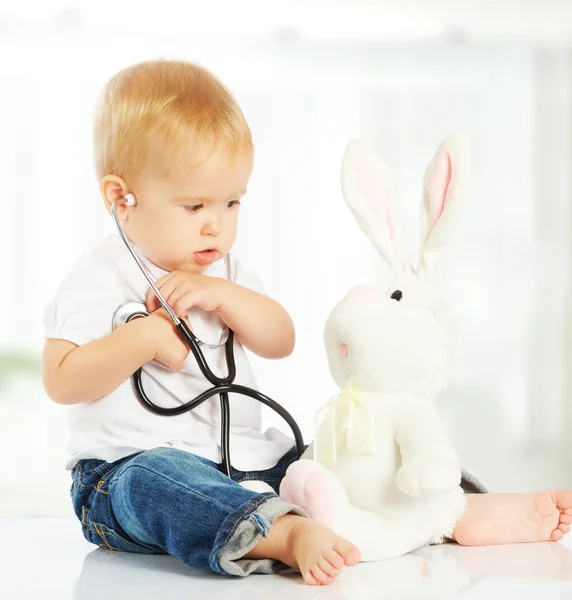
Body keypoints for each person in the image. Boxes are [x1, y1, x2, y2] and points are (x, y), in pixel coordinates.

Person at [42, 59, 572, 587]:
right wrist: (140, 338)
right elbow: (62, 380)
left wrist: (222, 295)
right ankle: (285, 533)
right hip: (121, 474)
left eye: (232, 202)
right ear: (120, 198)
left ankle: (451, 510)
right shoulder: (100, 278)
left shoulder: (224, 273)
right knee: (155, 482)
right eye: (194, 204)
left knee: (342, 456)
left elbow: (280, 339)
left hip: (247, 463)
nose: (216, 223)